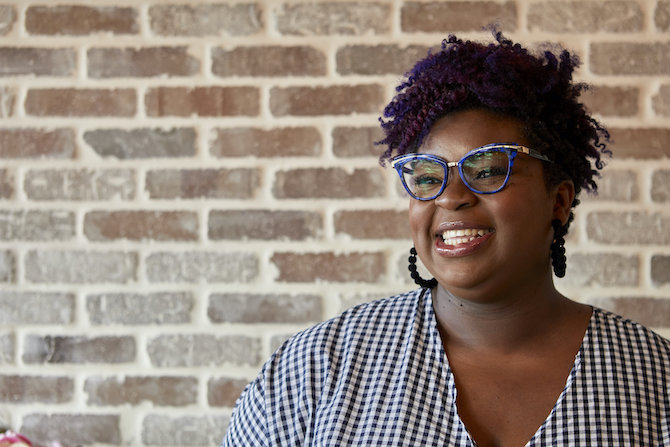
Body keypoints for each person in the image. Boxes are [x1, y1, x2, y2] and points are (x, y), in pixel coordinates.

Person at [221, 31, 670, 446]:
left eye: (488, 170)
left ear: (559, 200)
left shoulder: (655, 380)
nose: (451, 197)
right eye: (426, 176)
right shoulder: (313, 373)